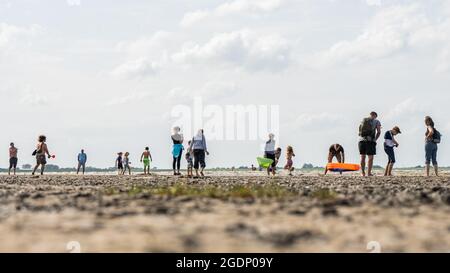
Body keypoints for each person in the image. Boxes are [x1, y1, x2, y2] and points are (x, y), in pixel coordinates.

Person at [358, 112, 382, 177]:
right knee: (370, 158)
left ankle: (362, 173)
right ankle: (368, 173)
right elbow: (379, 132)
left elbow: (359, 131)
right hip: (370, 140)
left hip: (361, 140)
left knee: (363, 157)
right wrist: (375, 139)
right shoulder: (376, 121)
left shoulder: (363, 120)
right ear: (375, 116)